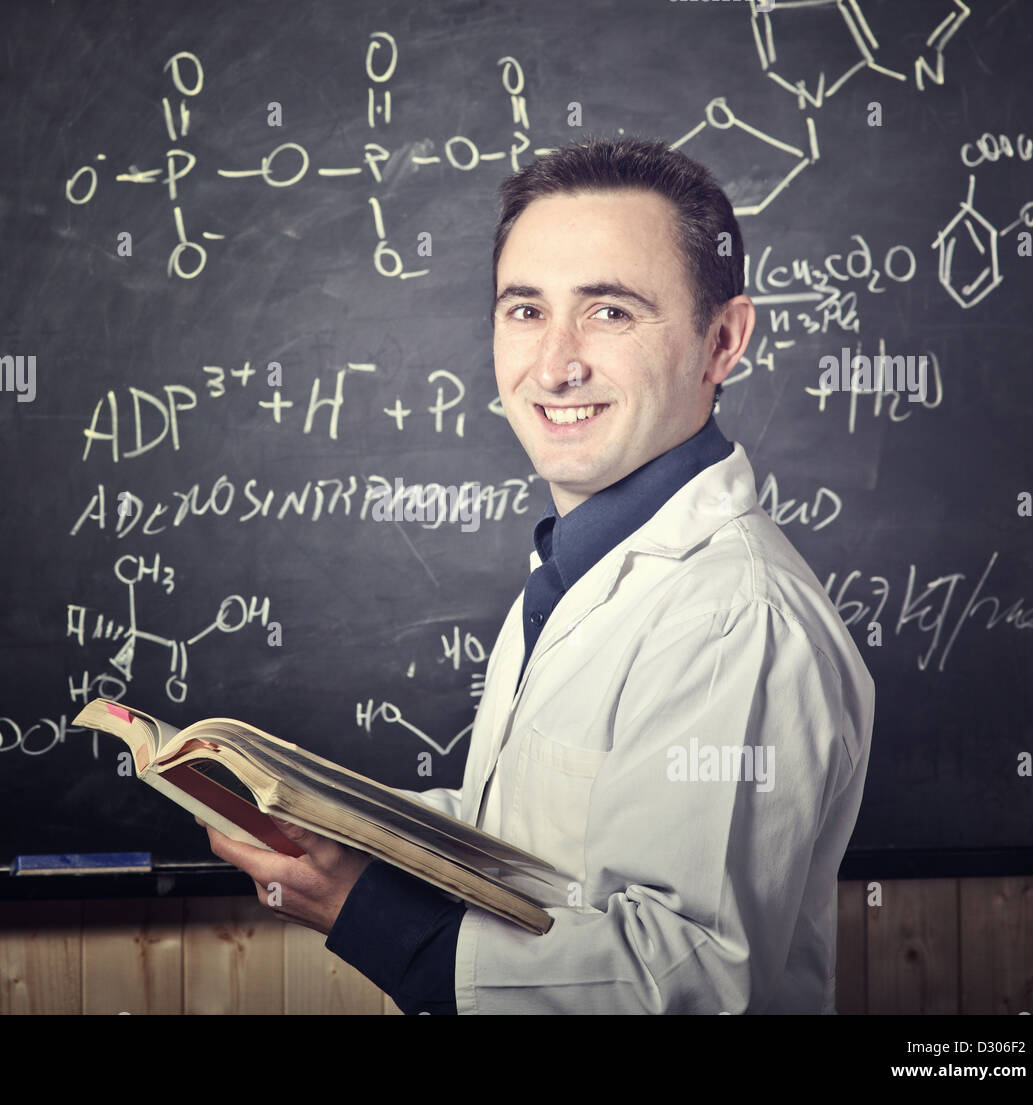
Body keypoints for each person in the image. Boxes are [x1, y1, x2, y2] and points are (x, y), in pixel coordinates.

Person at [202, 136, 875, 1014]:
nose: (554, 364)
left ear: (723, 341)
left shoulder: (732, 618)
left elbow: (689, 980)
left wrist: (372, 916)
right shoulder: (579, 562)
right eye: (525, 310)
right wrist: (342, 825)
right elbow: (546, 844)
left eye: (610, 312)